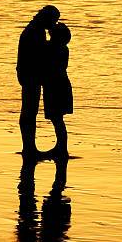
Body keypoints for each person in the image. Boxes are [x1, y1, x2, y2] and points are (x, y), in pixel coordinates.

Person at [17, 5, 60, 158]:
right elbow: (38, 55)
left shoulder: (34, 30)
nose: (54, 24)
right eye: (54, 21)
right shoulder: (35, 32)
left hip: (28, 74)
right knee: (29, 111)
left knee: (29, 111)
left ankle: (29, 147)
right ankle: (29, 148)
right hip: (30, 76)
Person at [42, 22, 73, 158]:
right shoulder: (63, 48)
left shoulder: (52, 48)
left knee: (57, 118)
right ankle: (60, 147)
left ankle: (61, 148)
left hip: (55, 86)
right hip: (61, 84)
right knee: (57, 118)